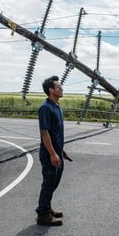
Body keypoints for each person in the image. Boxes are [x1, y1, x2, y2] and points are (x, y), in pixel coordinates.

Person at [36, 75, 68, 226]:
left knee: (54, 182)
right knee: (49, 182)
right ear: (51, 90)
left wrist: (61, 150)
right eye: (59, 87)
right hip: (50, 154)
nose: (61, 89)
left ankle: (47, 208)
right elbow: (45, 133)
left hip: (57, 152)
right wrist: (53, 153)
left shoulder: (56, 106)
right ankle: (42, 214)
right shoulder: (45, 108)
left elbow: (56, 132)